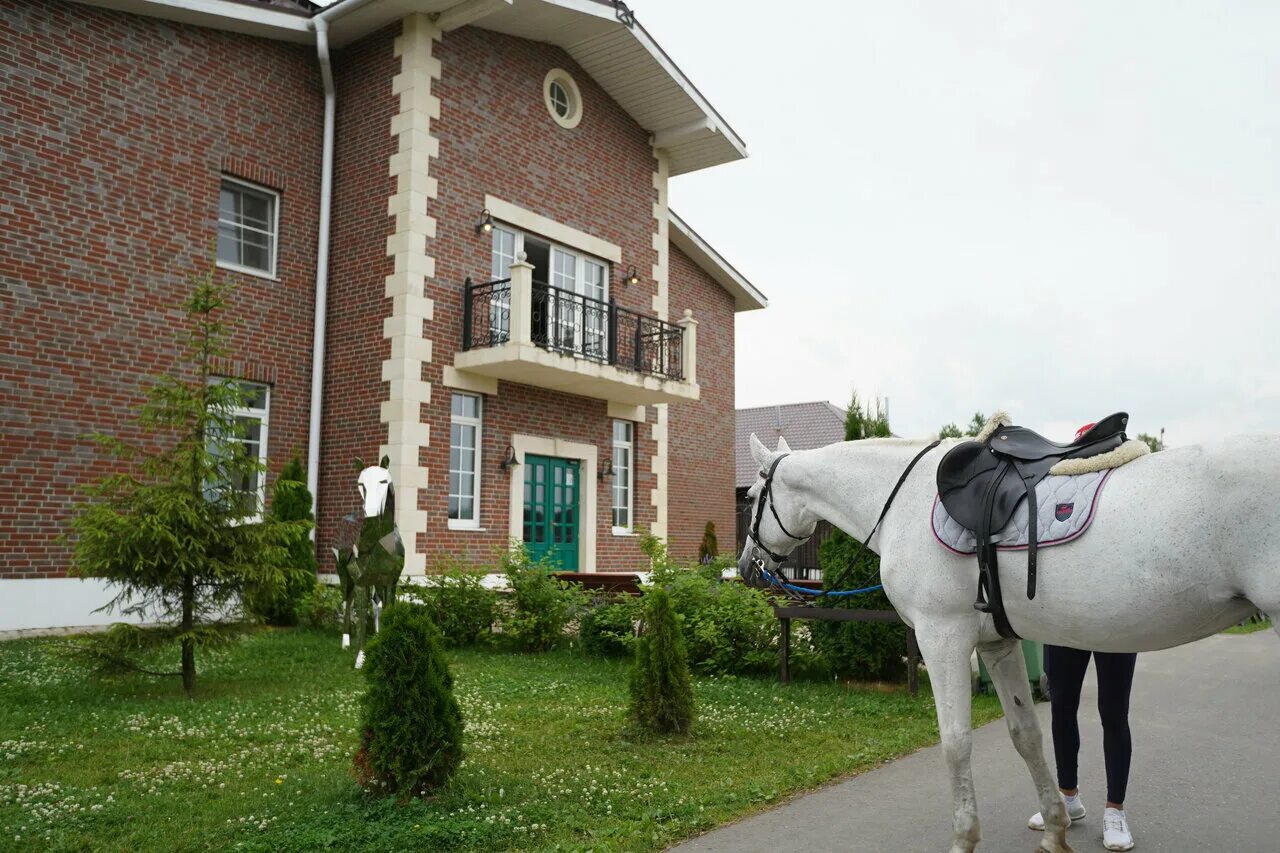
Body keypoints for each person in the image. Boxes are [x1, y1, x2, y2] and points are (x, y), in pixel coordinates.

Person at [1027, 645, 1138, 851]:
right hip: (1063, 620)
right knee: (1061, 706)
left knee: (1115, 712)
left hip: (1113, 620)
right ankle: (1068, 799)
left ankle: (1115, 810)